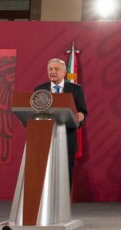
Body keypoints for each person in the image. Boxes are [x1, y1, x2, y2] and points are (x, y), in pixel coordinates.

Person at [34, 58, 88, 188]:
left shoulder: (75, 89)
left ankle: (63, 206)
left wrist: (81, 117)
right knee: (45, 174)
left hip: (67, 138)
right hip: (45, 139)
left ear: (64, 72)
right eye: (50, 69)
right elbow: (35, 111)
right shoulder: (40, 89)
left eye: (56, 69)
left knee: (65, 174)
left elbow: (82, 111)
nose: (53, 72)